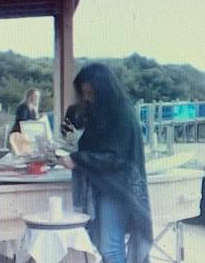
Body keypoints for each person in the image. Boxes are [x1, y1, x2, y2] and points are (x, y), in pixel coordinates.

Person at [58, 63, 152, 263]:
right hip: (107, 185)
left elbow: (114, 157)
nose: (86, 98)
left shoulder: (122, 114)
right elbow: (94, 146)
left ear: (103, 91)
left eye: (90, 93)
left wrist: (75, 159)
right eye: (83, 93)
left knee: (110, 248)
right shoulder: (102, 112)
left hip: (118, 187)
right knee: (103, 246)